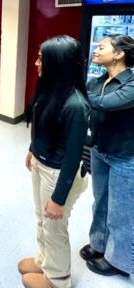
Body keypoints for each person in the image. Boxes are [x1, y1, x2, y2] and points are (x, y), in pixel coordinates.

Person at [20, 35, 90, 288]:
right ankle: (44, 261)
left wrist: (59, 198)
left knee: (54, 227)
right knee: (42, 219)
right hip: (43, 163)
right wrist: (32, 149)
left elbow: (73, 157)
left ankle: (58, 280)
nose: (37, 63)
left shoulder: (76, 105)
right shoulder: (51, 89)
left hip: (60, 173)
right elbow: (43, 125)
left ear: (58, 63)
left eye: (42, 58)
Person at [80, 34, 134, 277]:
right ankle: (99, 244)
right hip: (100, 150)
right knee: (100, 200)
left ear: (119, 53)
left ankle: (119, 261)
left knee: (121, 210)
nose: (96, 49)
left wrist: (73, 89)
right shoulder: (99, 80)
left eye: (102, 47)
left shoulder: (131, 83)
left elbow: (104, 104)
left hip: (125, 156)